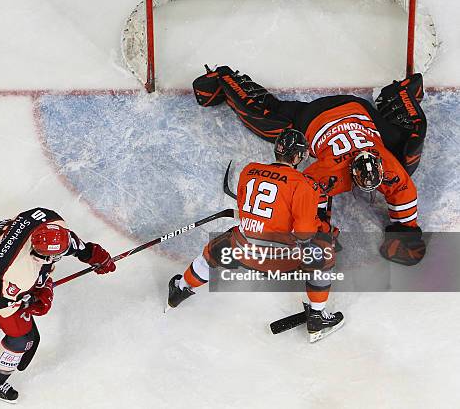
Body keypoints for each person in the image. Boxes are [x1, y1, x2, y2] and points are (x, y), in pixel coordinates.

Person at [193, 66, 427, 265]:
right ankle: (223, 79)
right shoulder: (332, 171)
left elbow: (401, 194)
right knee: (267, 121)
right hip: (316, 116)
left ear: (379, 163)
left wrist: (321, 231)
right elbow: (307, 196)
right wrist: (320, 229)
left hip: (359, 111)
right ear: (351, 172)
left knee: (408, 157)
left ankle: (400, 94)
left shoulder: (389, 167)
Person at [168, 129, 343, 343]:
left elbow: (244, 209)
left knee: (214, 251)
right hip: (280, 262)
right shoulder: (304, 185)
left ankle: (181, 289)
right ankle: (317, 317)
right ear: (298, 157)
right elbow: (304, 233)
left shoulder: (249, 171)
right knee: (324, 254)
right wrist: (324, 229)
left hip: (243, 252)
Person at [0, 207, 116, 402]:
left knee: (25, 326)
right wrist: (32, 301)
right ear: (40, 255)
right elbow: (1, 304)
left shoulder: (51, 224)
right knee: (22, 337)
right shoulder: (21, 272)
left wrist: (92, 254)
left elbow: (69, 242)